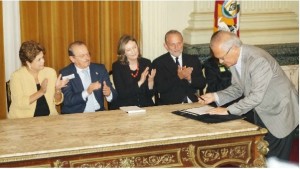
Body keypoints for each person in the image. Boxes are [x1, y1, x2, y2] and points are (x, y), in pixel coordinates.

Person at [200, 30, 299, 160]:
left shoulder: (257, 60)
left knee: (274, 159)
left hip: (280, 112)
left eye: (222, 57)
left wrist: (228, 110)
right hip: (263, 111)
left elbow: (256, 96)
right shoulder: (235, 59)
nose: (220, 61)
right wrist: (215, 96)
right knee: (261, 157)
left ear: (234, 48)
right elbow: (238, 88)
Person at [9, 40, 69, 119]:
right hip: (23, 121)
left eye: (42, 57)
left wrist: (58, 90)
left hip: (49, 119)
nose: (43, 61)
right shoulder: (17, 76)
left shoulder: (50, 72)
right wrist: (41, 92)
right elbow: (20, 103)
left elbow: (57, 101)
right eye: (39, 60)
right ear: (28, 63)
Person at [59, 41, 117, 114]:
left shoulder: (100, 69)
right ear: (72, 59)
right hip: (76, 115)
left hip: (98, 114)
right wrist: (87, 92)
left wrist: (109, 93)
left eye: (87, 54)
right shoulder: (66, 73)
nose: (87, 58)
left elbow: (114, 95)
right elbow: (68, 100)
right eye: (82, 56)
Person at [152, 30, 206, 105]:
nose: (176, 47)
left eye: (179, 43)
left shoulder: (193, 60)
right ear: (166, 46)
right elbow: (159, 88)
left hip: (193, 103)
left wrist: (190, 79)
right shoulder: (158, 63)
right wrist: (179, 77)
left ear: (182, 43)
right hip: (170, 105)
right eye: (172, 44)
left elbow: (202, 83)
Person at [203, 56, 254, 123]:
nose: (221, 61)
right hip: (222, 101)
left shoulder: (242, 62)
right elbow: (214, 86)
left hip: (242, 100)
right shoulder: (211, 63)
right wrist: (234, 83)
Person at [111, 35, 156, 109]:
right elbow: (122, 94)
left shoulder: (146, 63)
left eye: (134, 47)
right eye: (128, 50)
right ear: (123, 53)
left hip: (145, 106)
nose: (133, 51)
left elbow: (149, 95)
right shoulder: (117, 66)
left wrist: (150, 81)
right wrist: (140, 82)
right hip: (126, 106)